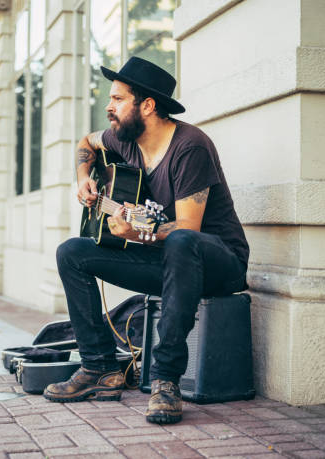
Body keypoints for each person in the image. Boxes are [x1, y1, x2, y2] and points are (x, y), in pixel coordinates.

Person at [43, 57, 249, 425]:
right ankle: (99, 368)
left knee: (181, 242)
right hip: (169, 262)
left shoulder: (190, 147)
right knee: (72, 252)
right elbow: (86, 143)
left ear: (147, 106)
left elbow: (189, 228)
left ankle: (166, 379)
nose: (109, 107)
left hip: (219, 263)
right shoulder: (126, 141)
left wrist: (140, 232)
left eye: (118, 99)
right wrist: (82, 177)